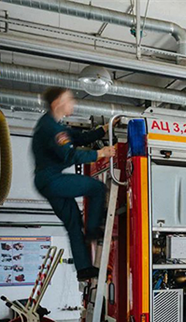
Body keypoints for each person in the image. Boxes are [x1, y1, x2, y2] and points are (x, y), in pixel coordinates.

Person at [31, 87, 117, 281]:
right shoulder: (50, 128)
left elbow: (78, 138)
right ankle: (93, 230)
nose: (73, 103)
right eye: (69, 99)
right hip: (51, 180)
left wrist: (103, 130)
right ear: (57, 103)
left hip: (46, 181)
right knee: (96, 188)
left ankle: (84, 269)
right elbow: (69, 155)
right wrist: (99, 154)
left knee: (73, 224)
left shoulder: (53, 124)